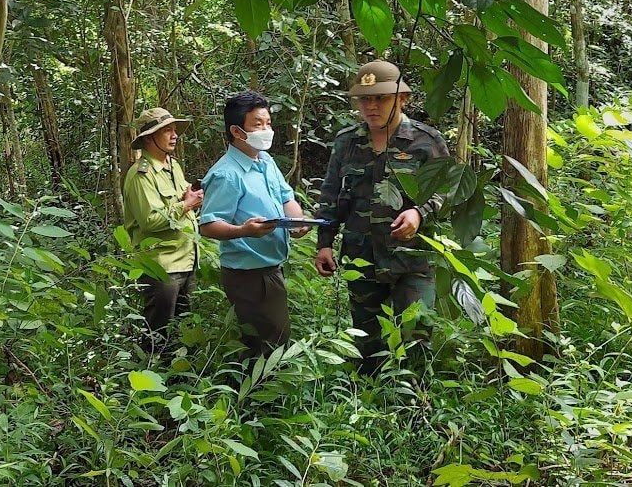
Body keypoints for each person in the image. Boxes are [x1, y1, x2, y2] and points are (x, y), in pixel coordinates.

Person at [314, 60, 450, 375]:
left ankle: (415, 409)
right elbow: (331, 193)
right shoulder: (347, 142)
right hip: (361, 257)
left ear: (402, 98)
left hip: (412, 258)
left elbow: (446, 191)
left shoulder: (426, 141)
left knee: (414, 336)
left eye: (381, 98)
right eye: (365, 99)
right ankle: (371, 404)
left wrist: (419, 212)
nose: (371, 106)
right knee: (367, 342)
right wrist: (324, 243)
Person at [198, 91, 311, 359]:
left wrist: (298, 221)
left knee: (272, 338)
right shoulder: (226, 174)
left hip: (270, 268)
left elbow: (286, 197)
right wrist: (243, 230)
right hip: (248, 275)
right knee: (269, 344)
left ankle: (261, 394)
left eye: (268, 123)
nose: (266, 130)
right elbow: (208, 224)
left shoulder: (265, 161)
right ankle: (260, 397)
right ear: (237, 131)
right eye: (257, 124)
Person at [121, 108, 204, 356]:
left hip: (187, 259)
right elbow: (150, 221)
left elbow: (179, 206)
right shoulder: (140, 175)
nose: (174, 135)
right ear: (149, 138)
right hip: (162, 267)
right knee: (158, 333)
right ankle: (147, 380)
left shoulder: (173, 166)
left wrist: (188, 200)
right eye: (166, 130)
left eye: (174, 129)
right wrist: (187, 204)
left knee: (183, 330)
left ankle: (178, 381)